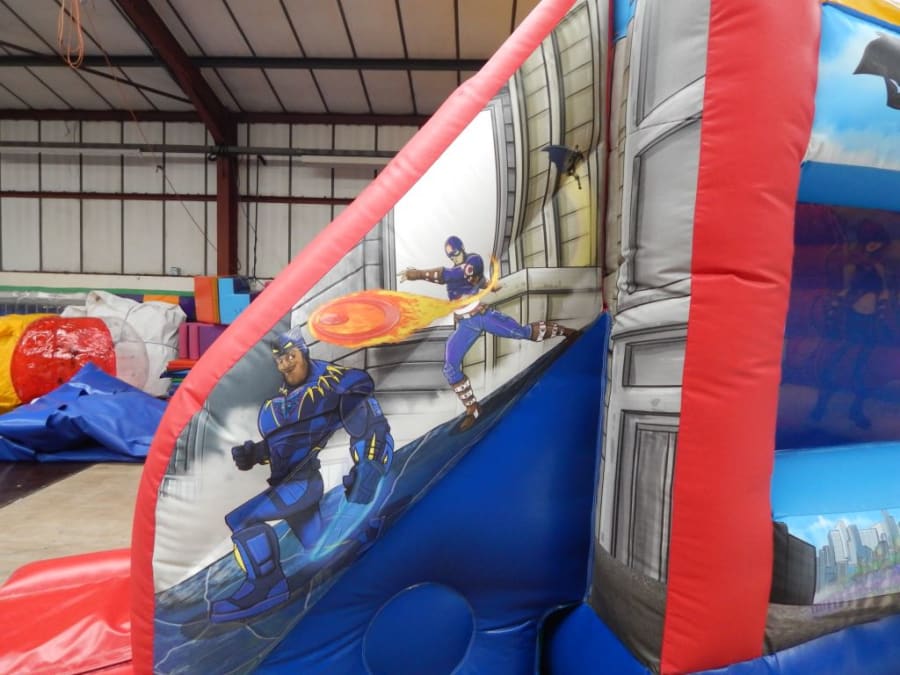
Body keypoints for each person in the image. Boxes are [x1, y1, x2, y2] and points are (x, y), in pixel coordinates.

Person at [210, 326, 394, 623]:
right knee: (319, 547)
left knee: (243, 519)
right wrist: (254, 454)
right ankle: (362, 540)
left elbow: (371, 425)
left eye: (290, 356)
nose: (285, 364)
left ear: (303, 352)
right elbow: (284, 446)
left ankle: (268, 587)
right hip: (289, 483)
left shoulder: (334, 385)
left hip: (302, 484)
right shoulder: (277, 406)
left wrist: (369, 465)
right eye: (279, 359)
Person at [399, 235, 577, 431]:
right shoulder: (459, 272)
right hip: (466, 324)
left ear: (462, 249)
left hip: (482, 316)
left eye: (456, 254)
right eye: (451, 256)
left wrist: (417, 274)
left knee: (520, 332)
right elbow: (467, 279)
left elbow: (453, 275)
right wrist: (490, 286)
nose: (454, 258)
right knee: (450, 366)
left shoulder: (472, 261)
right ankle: (473, 408)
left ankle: (566, 332)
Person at [810, 220, 892, 429]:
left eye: (877, 241)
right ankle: (821, 405)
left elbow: (884, 291)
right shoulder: (851, 266)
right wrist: (834, 309)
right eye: (871, 240)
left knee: (862, 367)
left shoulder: (879, 266)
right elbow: (845, 290)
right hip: (852, 318)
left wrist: (882, 311)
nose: (874, 244)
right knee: (837, 361)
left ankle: (856, 410)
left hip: (871, 320)